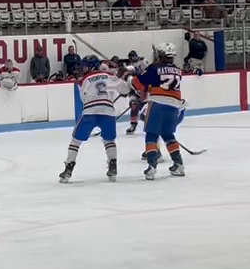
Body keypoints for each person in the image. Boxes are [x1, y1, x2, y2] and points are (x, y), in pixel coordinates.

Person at [58, 58, 125, 183]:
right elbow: (124, 89)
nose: (83, 69)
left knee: (75, 141)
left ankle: (68, 168)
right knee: (109, 140)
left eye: (85, 66)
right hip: (108, 111)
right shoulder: (110, 75)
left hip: (90, 112)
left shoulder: (84, 80)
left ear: (91, 66)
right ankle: (113, 166)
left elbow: (84, 98)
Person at [130, 43, 186, 180]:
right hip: (174, 106)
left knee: (151, 135)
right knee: (168, 134)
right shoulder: (178, 70)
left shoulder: (154, 68)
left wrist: (130, 78)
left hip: (158, 104)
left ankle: (152, 167)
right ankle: (179, 165)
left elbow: (137, 83)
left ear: (160, 55)